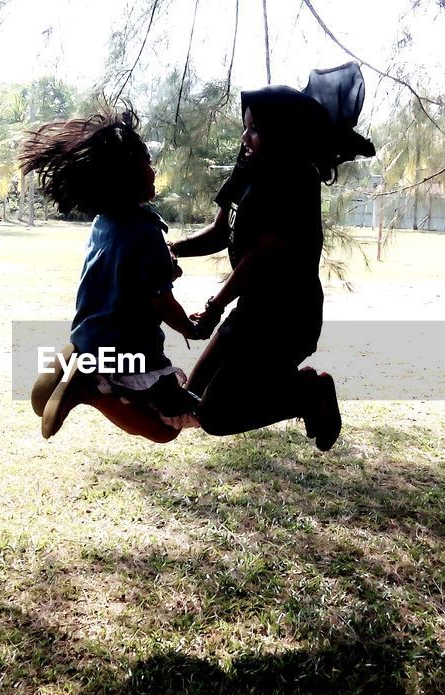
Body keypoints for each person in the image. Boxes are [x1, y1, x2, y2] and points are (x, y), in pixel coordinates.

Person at [169, 62, 375, 451]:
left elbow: (263, 254)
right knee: (191, 396)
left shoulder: (295, 179)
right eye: (245, 126)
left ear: (282, 134)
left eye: (256, 129)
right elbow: (219, 232)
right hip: (252, 309)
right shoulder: (248, 168)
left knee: (212, 414)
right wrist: (172, 250)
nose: (246, 136)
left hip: (286, 316)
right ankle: (296, 389)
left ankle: (307, 393)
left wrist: (214, 306)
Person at [22, 112, 203, 443]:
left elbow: (122, 274)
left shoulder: (103, 222)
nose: (154, 170)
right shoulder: (145, 232)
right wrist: (189, 327)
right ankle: (89, 389)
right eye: (147, 162)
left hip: (92, 333)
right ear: (128, 175)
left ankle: (80, 362)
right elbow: (159, 300)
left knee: (153, 410)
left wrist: (164, 266)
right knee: (166, 428)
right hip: (129, 346)